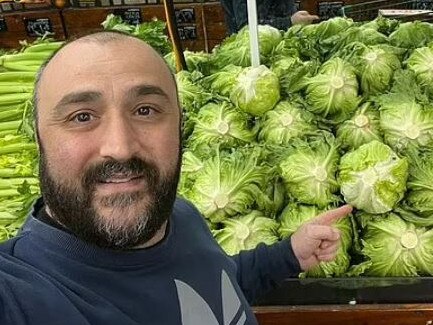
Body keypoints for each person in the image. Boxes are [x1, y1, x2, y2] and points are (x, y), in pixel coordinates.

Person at [0, 31, 352, 325]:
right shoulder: (24, 295)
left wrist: (288, 255)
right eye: (82, 116)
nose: (120, 147)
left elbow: (216, 284)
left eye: (145, 110)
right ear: (39, 138)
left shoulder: (179, 216)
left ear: (181, 127)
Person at [221, 0, 319, 34]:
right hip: (248, 51)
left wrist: (298, 22)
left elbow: (287, 10)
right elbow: (245, 27)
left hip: (279, 45)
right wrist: (290, 22)